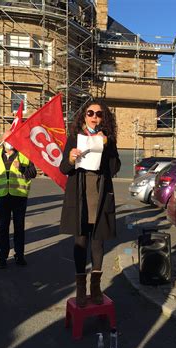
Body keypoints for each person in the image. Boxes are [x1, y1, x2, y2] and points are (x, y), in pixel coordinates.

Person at [59, 100, 121, 308]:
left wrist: (108, 147)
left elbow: (115, 168)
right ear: (84, 116)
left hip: (100, 195)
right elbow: (63, 169)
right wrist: (69, 158)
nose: (94, 117)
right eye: (90, 113)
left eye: (99, 114)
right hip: (80, 196)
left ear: (104, 118)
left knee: (98, 241)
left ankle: (96, 288)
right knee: (81, 241)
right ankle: (80, 288)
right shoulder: (75, 138)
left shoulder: (107, 140)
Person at [0, 130, 37, 268]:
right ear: (2, 141)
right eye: (6, 139)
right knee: (2, 228)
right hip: (2, 196)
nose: (9, 141)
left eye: (12, 138)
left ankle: (19, 255)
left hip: (19, 196)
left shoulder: (24, 155)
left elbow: (33, 173)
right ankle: (2, 256)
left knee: (19, 227)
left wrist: (21, 167)